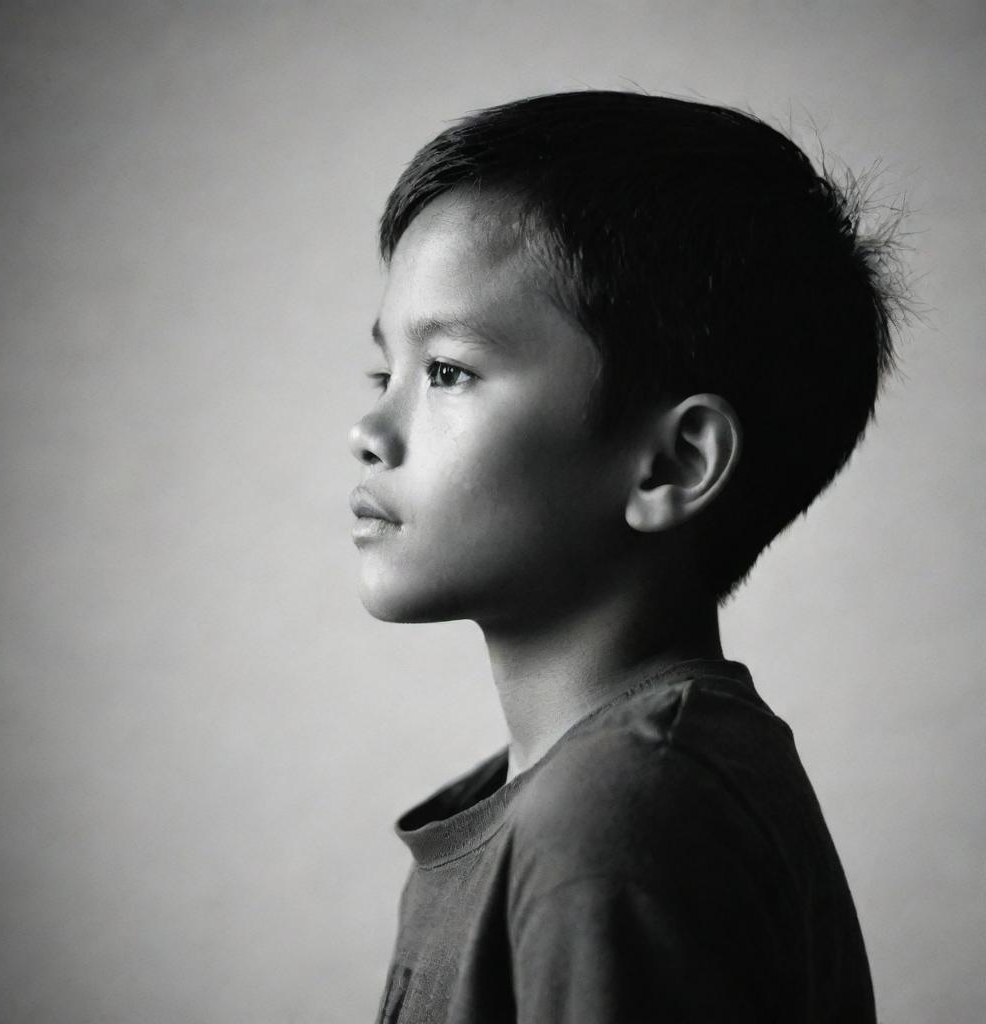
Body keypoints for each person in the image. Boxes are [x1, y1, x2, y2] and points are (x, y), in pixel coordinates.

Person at [348, 90, 900, 1023]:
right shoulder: (586, 796)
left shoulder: (620, 817)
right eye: (383, 373)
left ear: (673, 462)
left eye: (447, 372)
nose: (368, 429)